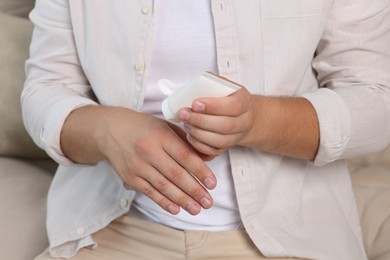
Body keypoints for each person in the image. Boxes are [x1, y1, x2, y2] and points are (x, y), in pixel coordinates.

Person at [22, 0, 390, 259]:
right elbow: (46, 88)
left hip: (288, 238)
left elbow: (377, 100)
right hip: (113, 228)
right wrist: (105, 131)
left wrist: (258, 120)